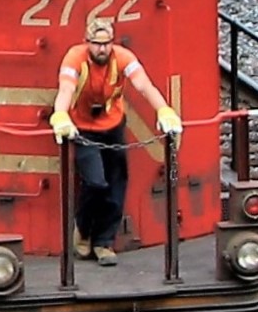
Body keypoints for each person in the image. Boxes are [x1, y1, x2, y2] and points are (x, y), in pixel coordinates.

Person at [50, 14, 180, 263]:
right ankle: (84, 231)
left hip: (113, 126)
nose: (102, 48)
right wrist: (60, 115)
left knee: (116, 183)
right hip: (84, 129)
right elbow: (66, 88)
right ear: (87, 42)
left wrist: (163, 109)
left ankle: (104, 242)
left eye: (107, 43)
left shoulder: (123, 58)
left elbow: (144, 85)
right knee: (96, 182)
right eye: (97, 43)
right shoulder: (74, 58)